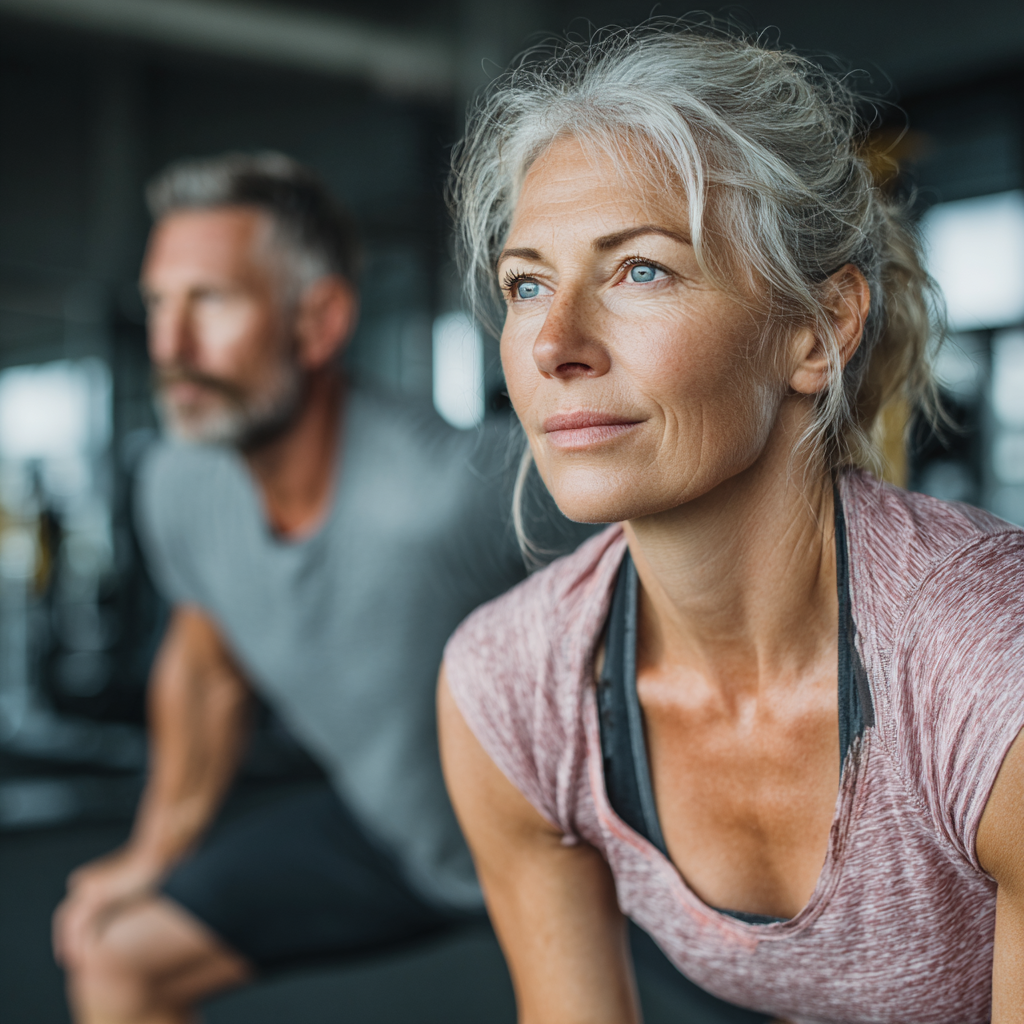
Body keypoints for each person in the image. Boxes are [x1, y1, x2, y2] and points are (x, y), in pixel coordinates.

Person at [438, 25, 1024, 1024]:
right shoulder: (513, 687)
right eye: (527, 282)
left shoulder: (982, 670)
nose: (552, 343)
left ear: (817, 328)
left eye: (641, 271)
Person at [52, 152, 573, 1024]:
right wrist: (155, 849)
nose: (170, 348)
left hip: (584, 847)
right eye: (158, 305)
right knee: (116, 952)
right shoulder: (175, 484)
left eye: (210, 302)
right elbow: (208, 661)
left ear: (320, 320)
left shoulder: (454, 488)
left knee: (831, 990)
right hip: (397, 832)